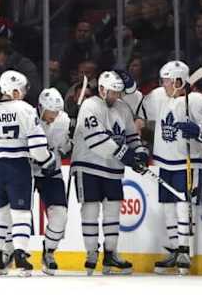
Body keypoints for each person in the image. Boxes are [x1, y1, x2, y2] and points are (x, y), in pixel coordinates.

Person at [0, 70, 55, 277]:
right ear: (14, 91)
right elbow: (36, 146)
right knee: (21, 212)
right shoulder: (24, 109)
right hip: (17, 167)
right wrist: (47, 160)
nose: (23, 94)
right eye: (22, 90)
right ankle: (21, 256)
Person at [140, 60, 202, 275]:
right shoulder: (159, 97)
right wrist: (130, 89)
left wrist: (198, 131)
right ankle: (175, 250)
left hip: (188, 162)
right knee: (168, 206)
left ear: (178, 81)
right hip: (164, 162)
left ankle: (185, 251)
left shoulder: (196, 101)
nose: (164, 84)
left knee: (183, 204)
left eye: (167, 80)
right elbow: (139, 110)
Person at [70, 70, 149, 275]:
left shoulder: (122, 108)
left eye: (118, 92)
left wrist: (140, 153)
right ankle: (91, 254)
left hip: (113, 167)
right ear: (103, 89)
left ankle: (111, 254)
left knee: (113, 209)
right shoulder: (90, 106)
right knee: (90, 209)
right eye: (113, 92)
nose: (116, 96)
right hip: (88, 165)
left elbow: (131, 135)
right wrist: (128, 156)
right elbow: (97, 140)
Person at [32, 87, 71, 275]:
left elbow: (64, 146)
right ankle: (8, 252)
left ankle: (49, 251)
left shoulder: (63, 120)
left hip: (51, 173)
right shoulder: (28, 118)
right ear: (40, 107)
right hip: (27, 172)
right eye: (50, 112)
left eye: (57, 112)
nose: (54, 117)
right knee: (15, 215)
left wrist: (70, 144)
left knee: (60, 216)